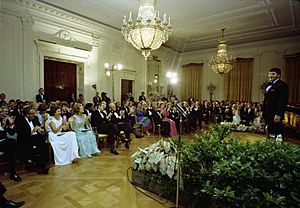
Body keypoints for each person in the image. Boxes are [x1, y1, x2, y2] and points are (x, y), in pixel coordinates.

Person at [263, 67, 288, 140]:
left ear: (278, 75)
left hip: (275, 114)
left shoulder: (282, 85)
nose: (270, 75)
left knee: (277, 132)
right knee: (270, 132)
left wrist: (278, 114)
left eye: (273, 74)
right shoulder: (269, 85)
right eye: (270, 74)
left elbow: (282, 101)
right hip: (268, 113)